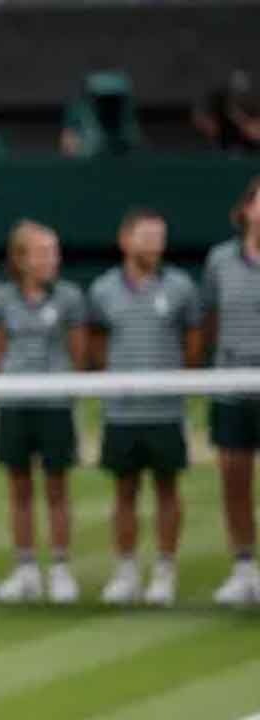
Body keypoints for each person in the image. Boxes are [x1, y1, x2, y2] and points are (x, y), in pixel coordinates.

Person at [89, 208, 203, 606]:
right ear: (126, 240)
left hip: (166, 412)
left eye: (160, 237)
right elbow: (98, 347)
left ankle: (165, 571)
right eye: (146, 236)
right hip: (121, 412)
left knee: (168, 490)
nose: (154, 245)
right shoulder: (103, 290)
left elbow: (192, 344)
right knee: (124, 491)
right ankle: (126, 571)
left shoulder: (181, 287)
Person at [0, 220, 86, 603]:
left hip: (56, 404)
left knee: (58, 488)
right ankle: (26, 569)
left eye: (54, 252)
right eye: (43, 252)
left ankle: (60, 569)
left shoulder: (70, 298)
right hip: (15, 404)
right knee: (20, 490)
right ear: (21, 259)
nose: (51, 260)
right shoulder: (1, 299)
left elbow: (77, 351)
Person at [202, 177, 260, 605]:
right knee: (235, 483)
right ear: (246, 211)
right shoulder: (219, 261)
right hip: (231, 389)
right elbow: (210, 323)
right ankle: (243, 568)